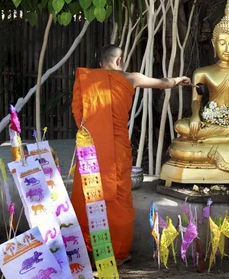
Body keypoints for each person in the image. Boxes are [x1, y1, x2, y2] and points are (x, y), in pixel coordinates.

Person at [70, 44, 190, 266]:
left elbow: (78, 112)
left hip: (90, 147)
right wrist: (178, 80)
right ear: (119, 61)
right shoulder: (130, 78)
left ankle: (85, 248)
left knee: (87, 193)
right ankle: (117, 252)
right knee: (117, 198)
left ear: (100, 63)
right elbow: (163, 83)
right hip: (115, 148)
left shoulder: (87, 78)